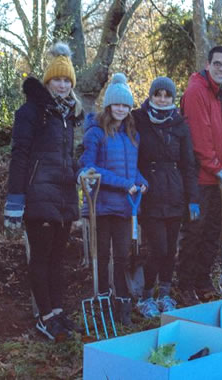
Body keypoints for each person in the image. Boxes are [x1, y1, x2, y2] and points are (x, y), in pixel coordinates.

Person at [4, 42, 84, 341]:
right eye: (57, 79)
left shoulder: (67, 116)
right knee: (41, 256)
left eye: (67, 80)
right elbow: (20, 154)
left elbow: (64, 157)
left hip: (63, 196)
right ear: (48, 81)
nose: (62, 85)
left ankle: (58, 311)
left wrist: (79, 172)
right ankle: (45, 315)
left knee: (57, 258)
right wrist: (15, 201)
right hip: (38, 195)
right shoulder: (32, 111)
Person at [78, 73, 148, 326]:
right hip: (100, 206)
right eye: (117, 104)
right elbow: (90, 168)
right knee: (101, 257)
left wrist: (141, 181)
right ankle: (102, 303)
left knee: (121, 257)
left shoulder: (132, 135)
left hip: (123, 207)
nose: (121, 109)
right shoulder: (95, 132)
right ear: (108, 106)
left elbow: (131, 170)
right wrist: (125, 184)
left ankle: (122, 304)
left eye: (126, 105)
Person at [177, 45, 222, 305]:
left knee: (214, 231)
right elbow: (199, 137)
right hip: (201, 178)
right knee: (195, 231)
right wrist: (217, 167)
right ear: (208, 64)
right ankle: (185, 284)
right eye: (218, 64)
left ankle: (203, 279)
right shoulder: (196, 92)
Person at [132, 77, 199, 317]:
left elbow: (188, 164)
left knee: (171, 248)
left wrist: (193, 198)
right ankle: (146, 295)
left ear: (172, 98)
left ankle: (165, 294)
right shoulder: (138, 119)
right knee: (157, 248)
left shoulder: (179, 124)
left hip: (175, 192)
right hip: (150, 192)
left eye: (167, 95)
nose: (162, 99)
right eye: (158, 94)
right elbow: (132, 156)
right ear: (151, 96)